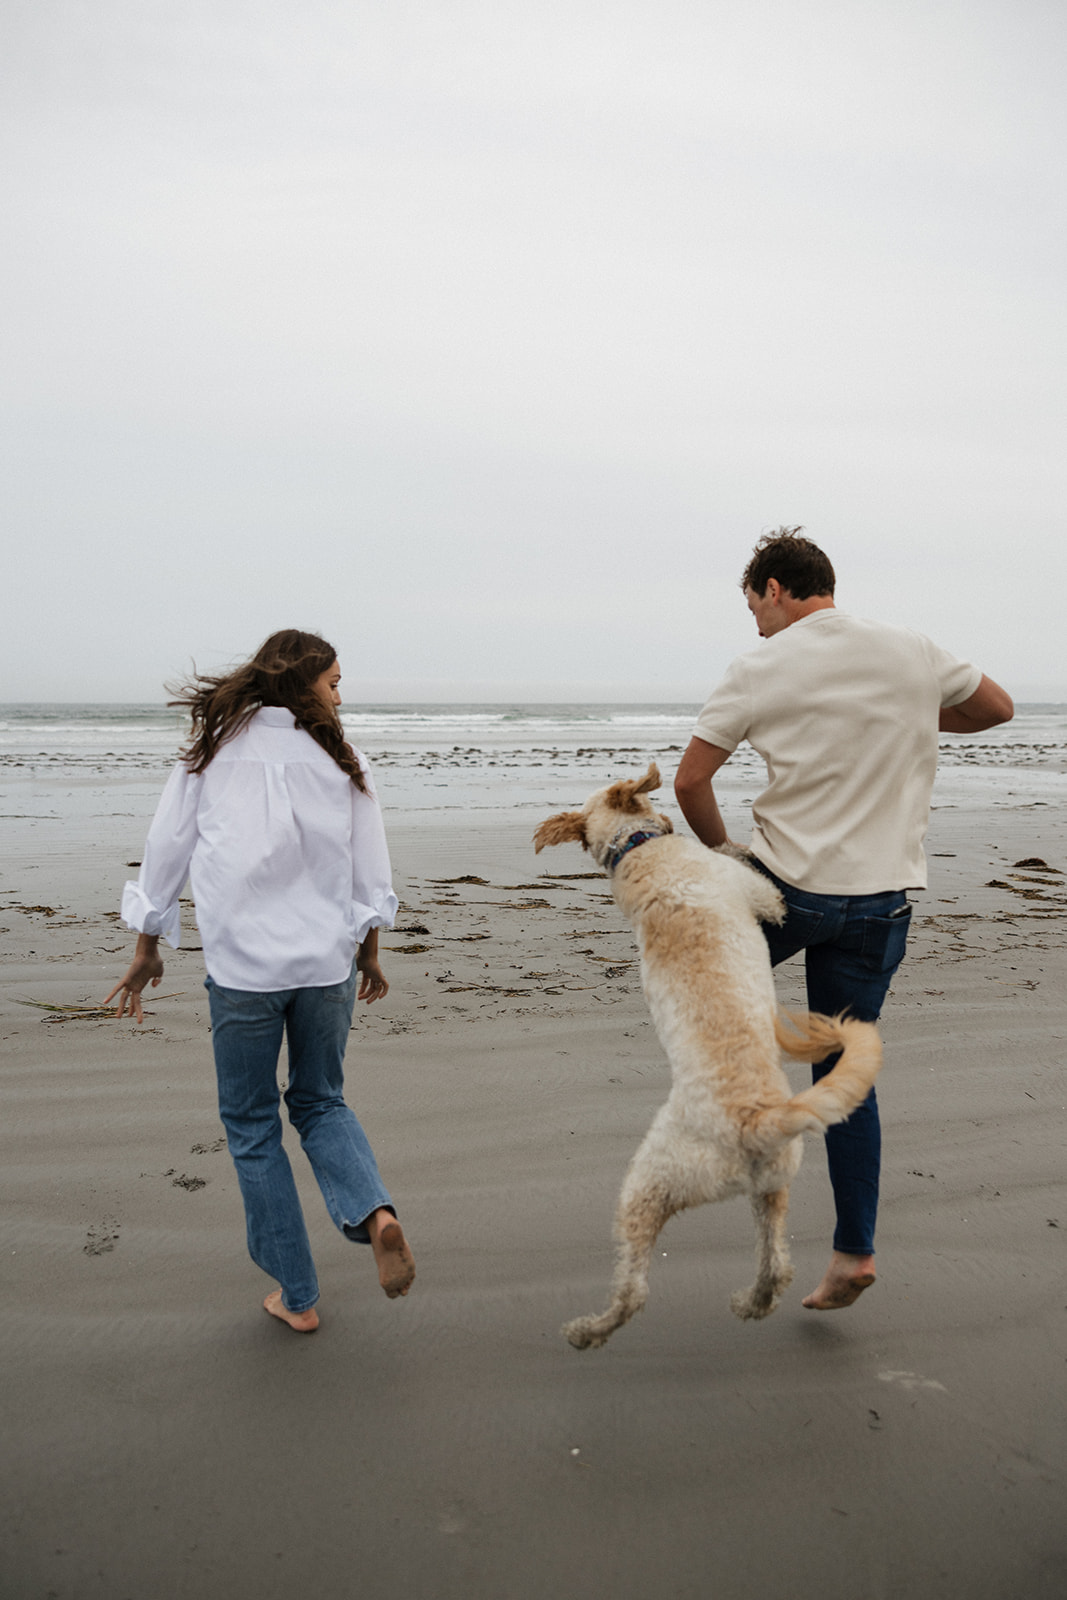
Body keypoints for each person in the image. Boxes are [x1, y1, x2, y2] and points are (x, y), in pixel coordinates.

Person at [674, 529, 1013, 1310]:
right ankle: (852, 1253)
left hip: (785, 888)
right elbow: (994, 708)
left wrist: (723, 852)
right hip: (881, 901)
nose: (753, 622)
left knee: (693, 978)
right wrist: (917, 724)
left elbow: (693, 780)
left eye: (752, 605)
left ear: (772, 588)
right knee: (844, 1073)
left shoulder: (759, 666)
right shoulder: (909, 648)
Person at [106, 629, 414, 1333]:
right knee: (321, 1102)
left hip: (243, 972)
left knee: (251, 1125)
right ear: (300, 681)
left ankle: (297, 1298)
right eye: (334, 681)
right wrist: (369, 954)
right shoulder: (341, 760)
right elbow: (372, 874)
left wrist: (147, 947)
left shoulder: (209, 756)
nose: (340, 694)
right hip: (326, 966)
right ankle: (376, 1214)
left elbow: (164, 855)